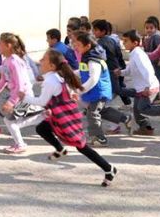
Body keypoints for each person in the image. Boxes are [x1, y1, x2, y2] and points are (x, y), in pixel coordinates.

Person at [25, 50, 118, 187]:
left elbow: (42, 101)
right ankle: (60, 149)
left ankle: (109, 168)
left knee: (81, 146)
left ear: (52, 66)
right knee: (42, 128)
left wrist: (24, 97)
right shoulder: (55, 76)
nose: (40, 61)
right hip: (60, 114)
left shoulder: (51, 80)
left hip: (64, 117)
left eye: (44, 59)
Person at [73, 32, 132, 146]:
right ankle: (125, 118)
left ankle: (99, 138)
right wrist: (71, 73)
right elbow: (83, 70)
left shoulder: (93, 60)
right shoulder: (88, 57)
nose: (76, 47)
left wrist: (80, 90)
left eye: (79, 45)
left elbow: (93, 79)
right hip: (95, 91)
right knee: (102, 111)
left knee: (92, 113)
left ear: (88, 46)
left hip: (98, 91)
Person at [118, 30, 160, 136]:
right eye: (123, 41)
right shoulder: (133, 53)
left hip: (148, 87)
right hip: (141, 88)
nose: (123, 43)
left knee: (143, 108)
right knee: (137, 110)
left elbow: (147, 71)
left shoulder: (138, 54)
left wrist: (148, 86)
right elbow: (129, 70)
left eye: (126, 41)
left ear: (135, 43)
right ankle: (146, 129)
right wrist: (120, 72)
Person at [0, 33, 36, 153]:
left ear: (8, 45)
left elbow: (20, 86)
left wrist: (11, 102)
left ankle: (21, 144)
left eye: (0, 43)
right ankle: (42, 117)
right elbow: (4, 79)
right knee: (11, 121)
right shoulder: (6, 61)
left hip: (24, 96)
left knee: (10, 121)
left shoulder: (15, 62)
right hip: (18, 96)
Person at [93, 19, 129, 107]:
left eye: (96, 30)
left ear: (103, 31)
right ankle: (127, 101)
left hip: (111, 69)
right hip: (117, 66)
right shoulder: (112, 40)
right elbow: (119, 53)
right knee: (117, 87)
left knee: (116, 89)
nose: (94, 32)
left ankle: (135, 93)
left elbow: (100, 58)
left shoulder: (100, 43)